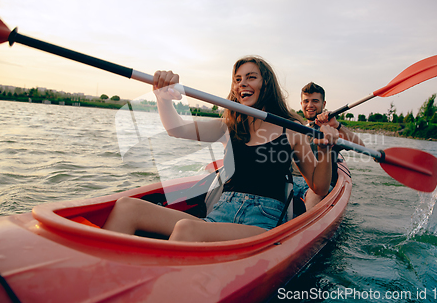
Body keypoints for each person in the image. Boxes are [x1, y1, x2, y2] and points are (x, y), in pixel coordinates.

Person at [103, 56, 339, 242]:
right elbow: (177, 129)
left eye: (251, 77)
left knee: (187, 229)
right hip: (219, 213)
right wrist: (163, 98)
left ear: (265, 83)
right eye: (237, 79)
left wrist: (326, 149)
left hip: (261, 224)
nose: (242, 84)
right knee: (127, 207)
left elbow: (318, 186)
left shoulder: (292, 128)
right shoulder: (229, 126)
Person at [292, 82, 365, 210]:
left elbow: (361, 147)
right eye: (306, 101)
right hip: (291, 180)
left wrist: (337, 125)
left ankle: (306, 223)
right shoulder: (295, 127)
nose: (310, 105)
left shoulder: (331, 130)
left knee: (315, 196)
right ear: (301, 104)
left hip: (318, 186)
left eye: (315, 101)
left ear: (323, 104)